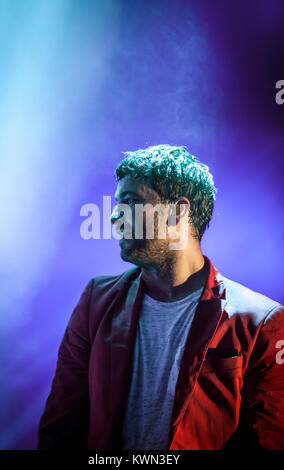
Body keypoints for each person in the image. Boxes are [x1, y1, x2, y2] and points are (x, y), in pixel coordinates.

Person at [37, 145, 284, 450]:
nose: (114, 217)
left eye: (131, 202)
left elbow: (269, 441)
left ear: (177, 212)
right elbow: (61, 429)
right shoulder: (95, 303)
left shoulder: (260, 321)